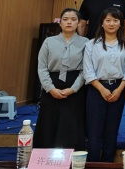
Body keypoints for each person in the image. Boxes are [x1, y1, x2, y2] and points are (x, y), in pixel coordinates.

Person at [34, 8, 89, 150]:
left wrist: (73, 89)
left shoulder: (86, 43)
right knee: (48, 121)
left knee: (71, 122)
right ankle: (45, 154)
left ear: (78, 23)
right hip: (52, 84)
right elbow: (42, 67)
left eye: (73, 19)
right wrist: (50, 88)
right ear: (60, 23)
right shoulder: (49, 41)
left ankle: (71, 154)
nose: (69, 22)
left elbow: (86, 69)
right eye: (65, 19)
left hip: (75, 86)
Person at [83, 8, 125, 162]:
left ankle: (108, 163)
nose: (112, 24)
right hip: (96, 89)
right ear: (102, 23)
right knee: (94, 131)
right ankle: (93, 163)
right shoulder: (91, 44)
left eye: (116, 20)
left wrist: (119, 90)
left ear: (121, 24)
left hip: (118, 89)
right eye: (108, 20)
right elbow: (88, 71)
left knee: (112, 130)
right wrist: (102, 89)